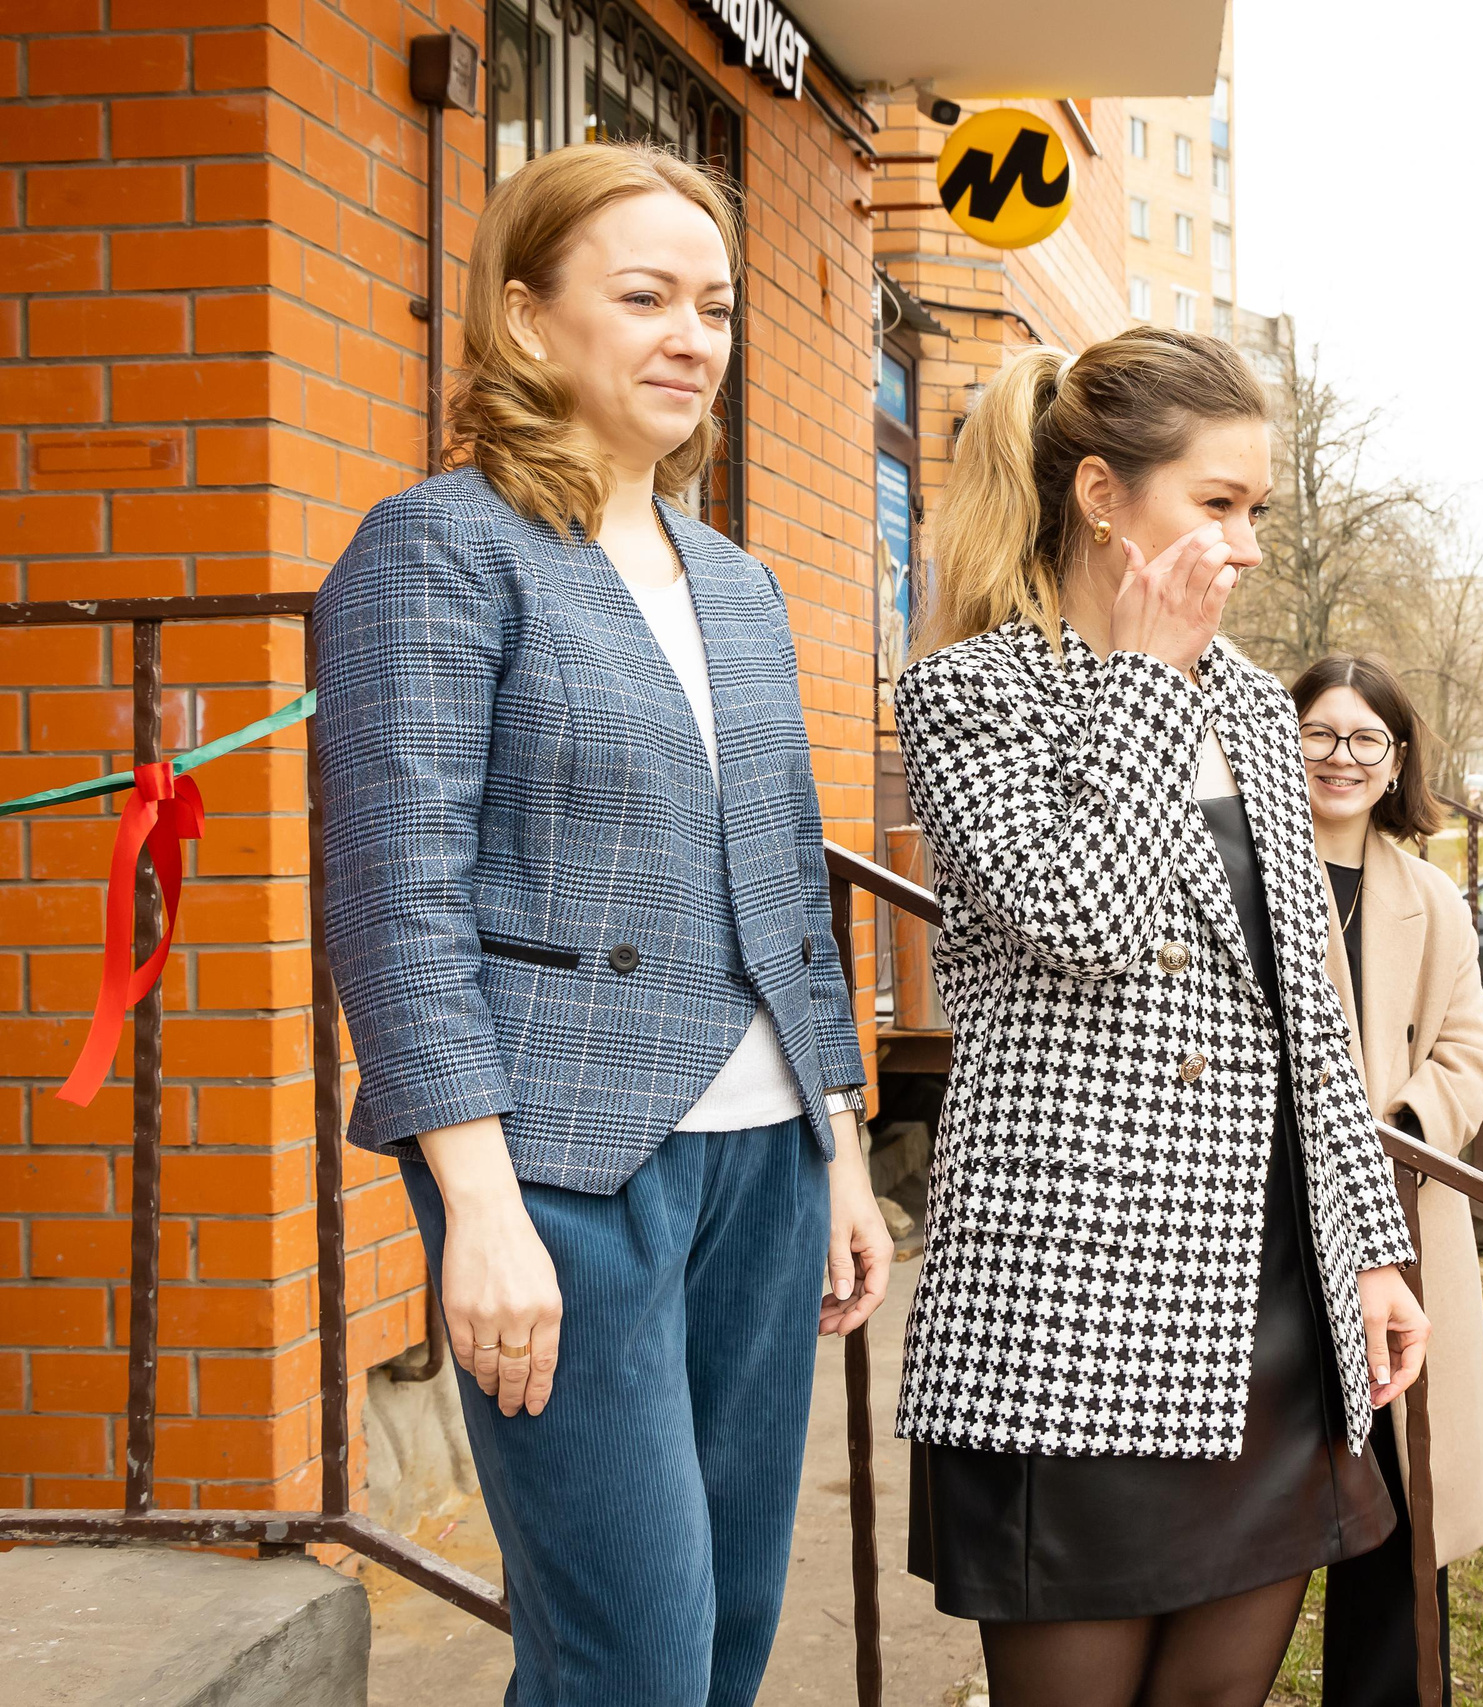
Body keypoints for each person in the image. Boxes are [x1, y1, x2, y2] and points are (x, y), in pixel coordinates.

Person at [312, 143, 893, 1704]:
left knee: (729, 1632)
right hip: (562, 1168)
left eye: (712, 304)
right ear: (524, 317)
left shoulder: (741, 583)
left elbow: (783, 873)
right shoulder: (437, 546)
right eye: (643, 296)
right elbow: (392, 894)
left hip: (764, 1158)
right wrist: (480, 1208)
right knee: (626, 1651)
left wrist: (836, 1140)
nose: (691, 336)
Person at [891, 329, 1430, 1707]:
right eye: (1217, 503)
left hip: (1269, 1299)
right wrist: (1142, 673)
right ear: (1100, 496)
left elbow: (1304, 999)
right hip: (1076, 1300)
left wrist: (1370, 1247)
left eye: (1257, 509)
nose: (1245, 543)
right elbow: (1081, 919)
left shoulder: (1257, 706)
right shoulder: (970, 693)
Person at [1290, 654, 1483, 1707]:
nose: (1341, 757)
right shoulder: (1240, 868)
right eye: (1320, 732)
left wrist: (1385, 1132)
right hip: (1267, 1224)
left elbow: (1469, 1054)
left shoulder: (1431, 897)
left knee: (1400, 1500)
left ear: (1396, 760)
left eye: (1364, 739)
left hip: (1400, 1216)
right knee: (1270, 1491)